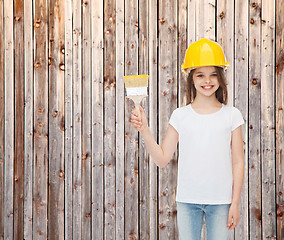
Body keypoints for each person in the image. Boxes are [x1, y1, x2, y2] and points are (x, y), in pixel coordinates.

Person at [130, 38, 245, 240]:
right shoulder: (180, 116)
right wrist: (145, 130)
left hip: (221, 202)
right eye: (200, 75)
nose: (207, 81)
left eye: (213, 75)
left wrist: (234, 203)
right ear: (191, 78)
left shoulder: (232, 115)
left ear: (221, 78)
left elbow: (238, 162)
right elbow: (162, 159)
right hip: (187, 201)